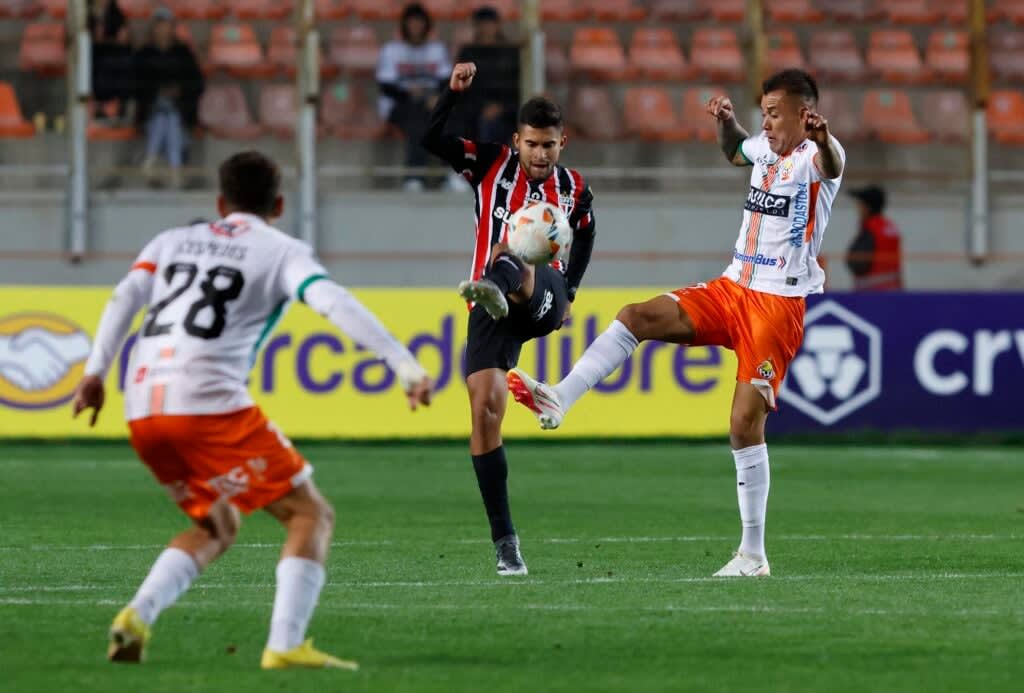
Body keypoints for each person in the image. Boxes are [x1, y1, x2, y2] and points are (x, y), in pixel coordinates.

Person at [71, 151, 433, 668]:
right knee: (310, 513)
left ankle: (136, 617)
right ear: (280, 204)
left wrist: (94, 372)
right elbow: (333, 302)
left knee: (217, 524)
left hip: (143, 407)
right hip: (206, 403)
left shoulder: (168, 241)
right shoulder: (281, 251)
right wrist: (404, 365)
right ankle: (285, 646)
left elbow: (124, 297)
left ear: (221, 203)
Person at [507, 69, 845, 578]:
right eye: (764, 112)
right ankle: (561, 396)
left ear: (805, 113)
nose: (767, 122)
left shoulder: (817, 156)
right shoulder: (765, 149)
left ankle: (753, 554)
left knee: (742, 424)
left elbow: (831, 163)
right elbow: (735, 152)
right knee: (635, 316)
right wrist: (728, 124)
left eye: (775, 113)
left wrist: (822, 139)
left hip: (776, 305)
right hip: (732, 288)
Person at [421, 63, 596, 576]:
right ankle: (506, 544)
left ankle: (499, 283)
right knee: (484, 411)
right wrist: (451, 95)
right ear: (517, 141)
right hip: (488, 307)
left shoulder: (574, 187)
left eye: (550, 146)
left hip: (540, 293)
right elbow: (431, 138)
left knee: (516, 245)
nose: (541, 155)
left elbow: (585, 233)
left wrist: (570, 295)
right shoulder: (489, 164)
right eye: (532, 145)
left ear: (563, 143)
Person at [376, 2, 452, 191]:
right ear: (404, 26)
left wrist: (435, 96)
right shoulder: (391, 50)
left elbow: (446, 82)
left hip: (431, 103)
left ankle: (449, 175)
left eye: (419, 23)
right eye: (411, 23)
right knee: (417, 119)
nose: (415, 27)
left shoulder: (438, 49)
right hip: (399, 105)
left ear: (426, 26)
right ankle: (414, 176)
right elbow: (386, 87)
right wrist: (410, 94)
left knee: (446, 118)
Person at [134, 8, 204, 188]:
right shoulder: (144, 54)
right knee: (164, 115)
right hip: (150, 112)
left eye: (166, 26)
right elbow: (135, 86)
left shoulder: (183, 54)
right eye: (159, 26)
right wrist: (157, 91)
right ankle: (175, 167)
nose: (163, 30)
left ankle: (151, 158)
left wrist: (178, 91)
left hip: (181, 112)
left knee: (169, 116)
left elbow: (197, 84)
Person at [453, 5, 520, 145]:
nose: (486, 28)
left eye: (490, 24)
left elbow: (516, 85)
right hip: (474, 109)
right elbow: (463, 87)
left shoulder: (510, 53)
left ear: (497, 26)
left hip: (508, 109)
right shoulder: (468, 52)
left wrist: (501, 107)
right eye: (482, 24)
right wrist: (482, 107)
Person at [845, 185, 903, 291]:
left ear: (867, 207)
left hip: (871, 293)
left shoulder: (870, 229)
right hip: (894, 290)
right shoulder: (890, 227)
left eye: (860, 204)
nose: (858, 209)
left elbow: (858, 263)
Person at [89, 0, 133, 120]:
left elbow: (124, 43)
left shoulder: (117, 14)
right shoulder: (85, 15)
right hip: (94, 58)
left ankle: (117, 107)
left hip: (113, 58)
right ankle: (100, 106)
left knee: (125, 63)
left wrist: (110, 42)